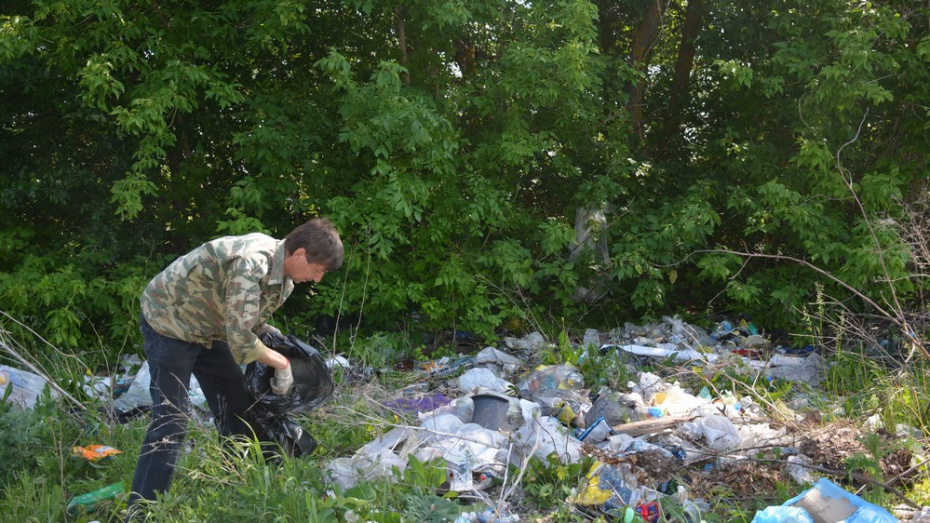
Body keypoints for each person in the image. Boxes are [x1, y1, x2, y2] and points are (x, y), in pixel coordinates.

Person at [126, 218, 343, 516]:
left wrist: (281, 343)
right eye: (317, 270)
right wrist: (282, 363)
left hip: (212, 328)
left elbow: (250, 321)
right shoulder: (251, 265)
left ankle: (234, 481)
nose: (317, 279)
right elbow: (241, 342)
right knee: (172, 419)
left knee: (236, 403)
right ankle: (142, 511)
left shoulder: (285, 280)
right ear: (300, 254)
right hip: (170, 323)